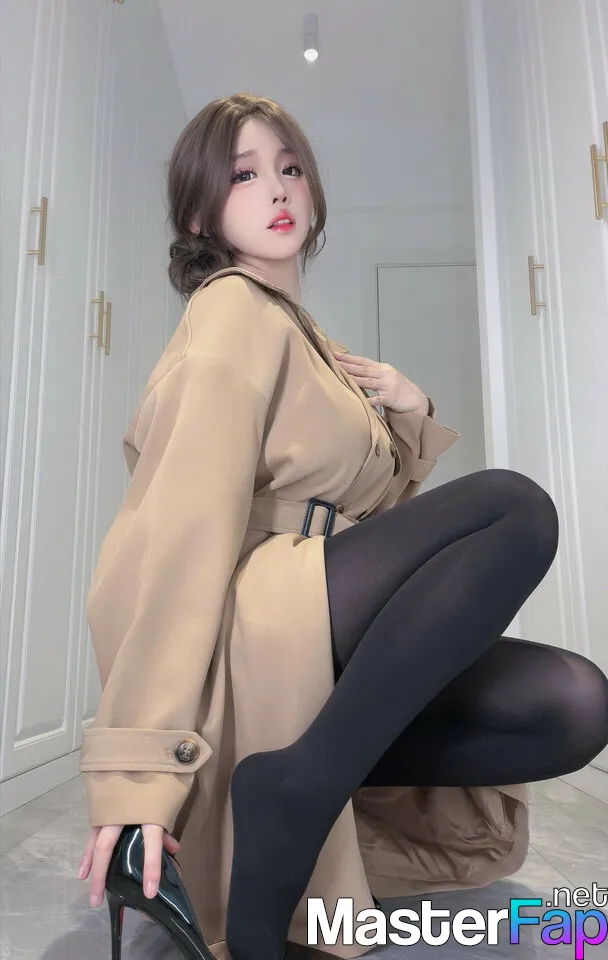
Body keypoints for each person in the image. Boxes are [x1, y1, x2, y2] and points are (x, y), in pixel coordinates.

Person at [77, 93, 608, 960]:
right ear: (198, 214)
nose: (277, 188)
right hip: (262, 628)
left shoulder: (307, 338)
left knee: (571, 707)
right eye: (244, 175)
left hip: (316, 620)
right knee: (514, 507)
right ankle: (296, 792)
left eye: (291, 168)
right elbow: (173, 534)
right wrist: (134, 771)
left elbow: (388, 552)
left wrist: (410, 410)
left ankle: (304, 790)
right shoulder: (231, 312)